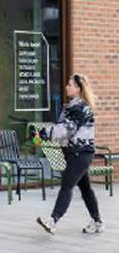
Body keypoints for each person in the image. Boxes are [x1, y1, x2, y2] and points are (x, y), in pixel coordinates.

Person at [35, 74, 103, 235]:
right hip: (75, 153)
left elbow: (67, 129)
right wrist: (43, 135)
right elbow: (62, 129)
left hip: (81, 153)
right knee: (86, 189)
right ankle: (97, 222)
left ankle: (53, 220)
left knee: (67, 185)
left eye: (70, 85)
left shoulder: (79, 108)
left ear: (78, 88)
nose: (67, 87)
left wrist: (45, 134)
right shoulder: (72, 107)